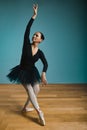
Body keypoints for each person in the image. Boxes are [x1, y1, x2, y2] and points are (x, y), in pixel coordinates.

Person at [7, 4, 48, 126]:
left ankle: (25, 108)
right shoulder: (26, 44)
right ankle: (39, 112)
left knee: (36, 90)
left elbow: (45, 63)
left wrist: (43, 73)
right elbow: (27, 29)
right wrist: (34, 16)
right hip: (22, 71)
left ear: (40, 40)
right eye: (34, 34)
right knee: (30, 89)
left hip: (32, 71)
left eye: (37, 35)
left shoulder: (40, 52)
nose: (34, 36)